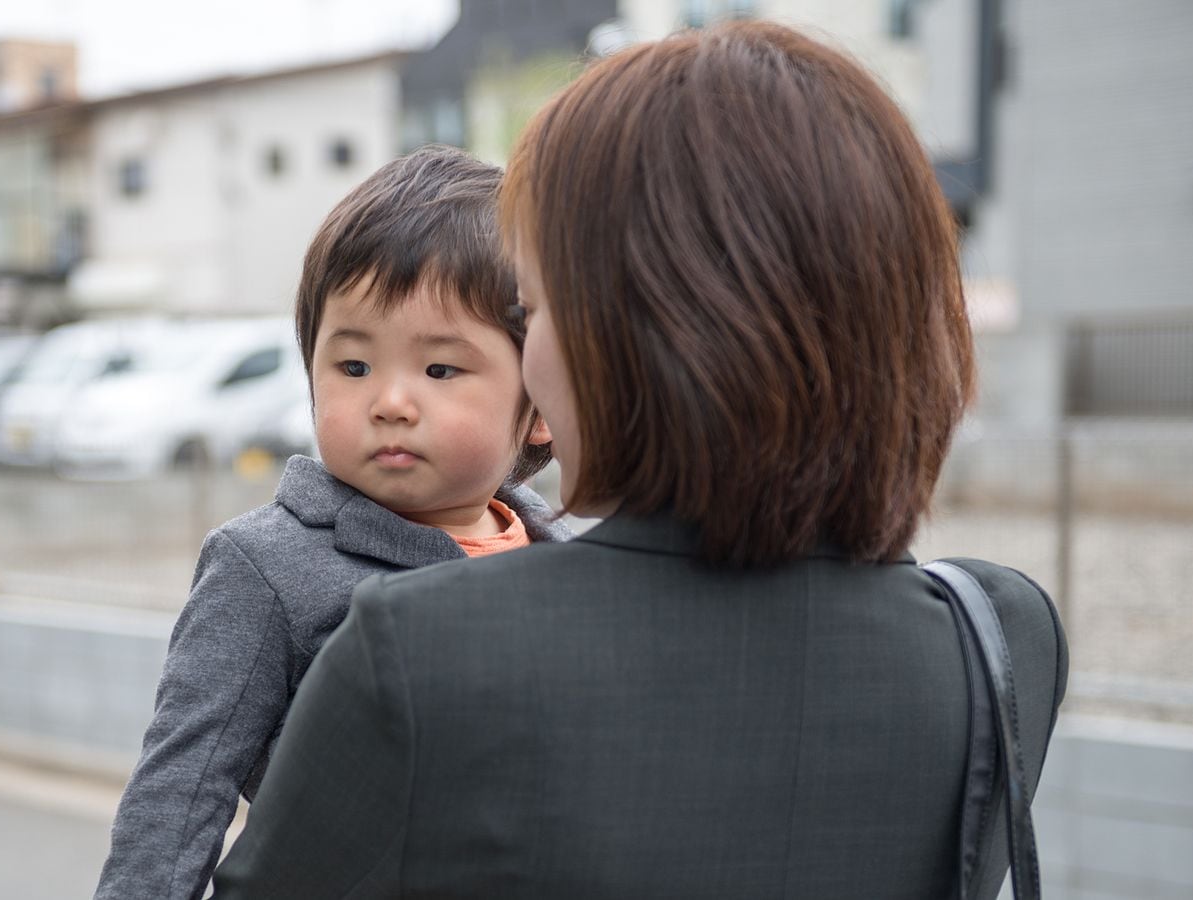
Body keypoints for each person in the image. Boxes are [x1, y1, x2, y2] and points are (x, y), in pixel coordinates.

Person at [212, 20, 1067, 900]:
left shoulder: (420, 646)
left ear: (636, 335)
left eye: (535, 310)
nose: (530, 368)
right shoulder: (1001, 636)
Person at [92, 145, 570, 900]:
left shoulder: (572, 561)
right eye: (352, 366)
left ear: (540, 404)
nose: (391, 402)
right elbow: (179, 794)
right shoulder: (265, 566)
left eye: (441, 369)